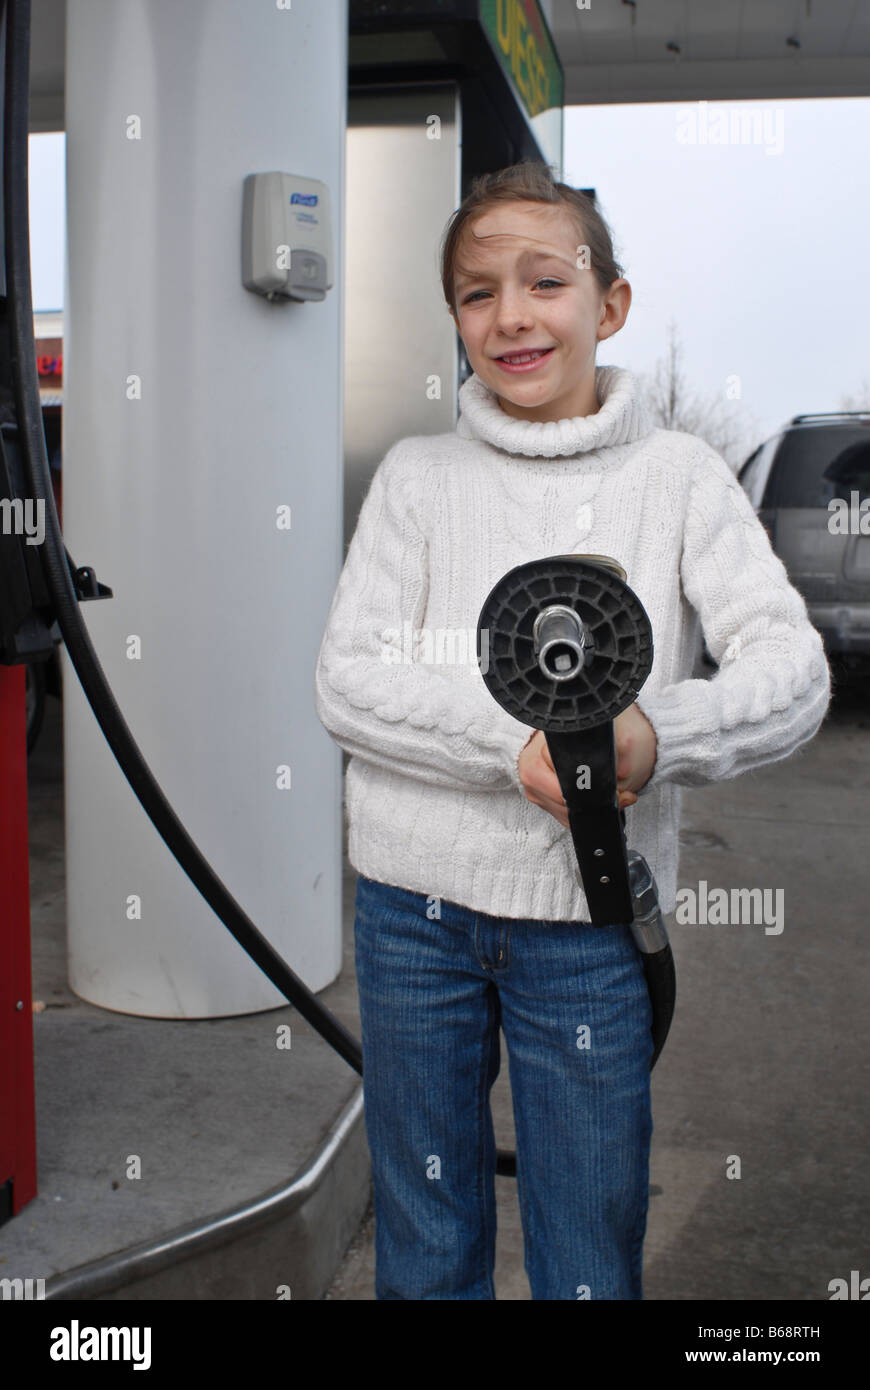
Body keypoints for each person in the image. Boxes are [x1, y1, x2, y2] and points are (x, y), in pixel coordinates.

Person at [313, 160, 831, 1300]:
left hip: (587, 926)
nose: (511, 316)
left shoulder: (681, 479)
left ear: (611, 303)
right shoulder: (417, 478)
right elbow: (348, 678)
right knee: (426, 1228)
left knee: (588, 1244)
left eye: (545, 281)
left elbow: (791, 672)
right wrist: (511, 746)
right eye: (476, 292)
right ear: (454, 317)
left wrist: (659, 734)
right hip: (414, 916)